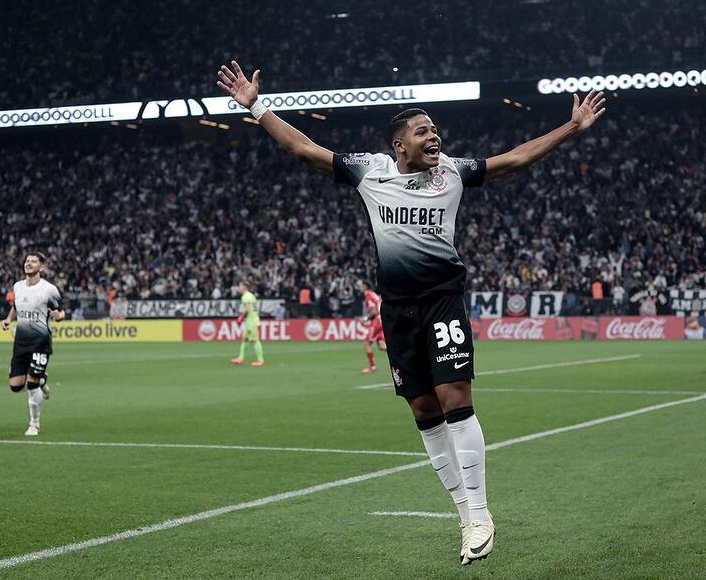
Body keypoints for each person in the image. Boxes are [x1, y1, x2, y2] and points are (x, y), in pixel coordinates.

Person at [217, 60, 605, 565]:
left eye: (435, 129)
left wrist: (571, 128)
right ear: (399, 145)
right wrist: (257, 105)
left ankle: (481, 514)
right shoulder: (368, 170)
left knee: (454, 396)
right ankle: (464, 514)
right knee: (423, 411)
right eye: (423, 131)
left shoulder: (455, 173)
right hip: (398, 310)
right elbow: (302, 147)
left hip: (442, 300)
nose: (434, 135)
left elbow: (514, 159)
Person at [1, 252, 65, 436]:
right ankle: (42, 378)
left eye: (33, 261)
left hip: (40, 341)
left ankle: (34, 424)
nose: (29, 263)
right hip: (21, 342)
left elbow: (61, 312)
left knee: (31, 385)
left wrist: (57, 316)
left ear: (41, 267)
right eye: (27, 261)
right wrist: (8, 319)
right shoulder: (18, 287)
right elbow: (16, 307)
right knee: (15, 386)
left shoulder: (49, 289)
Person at [230, 281, 265, 367]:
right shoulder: (249, 295)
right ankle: (240, 358)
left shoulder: (246, 296)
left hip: (252, 321)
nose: (239, 288)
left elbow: (248, 308)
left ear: (244, 287)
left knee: (254, 340)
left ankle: (260, 360)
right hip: (250, 320)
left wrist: (241, 317)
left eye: (240, 286)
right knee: (244, 339)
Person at [359, 281, 385, 373]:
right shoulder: (374, 294)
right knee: (382, 346)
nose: (360, 287)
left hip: (376, 322)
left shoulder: (368, 295)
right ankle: (402, 355)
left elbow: (373, 311)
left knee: (367, 343)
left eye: (361, 286)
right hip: (381, 320)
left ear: (365, 286)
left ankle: (372, 367)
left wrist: (366, 318)